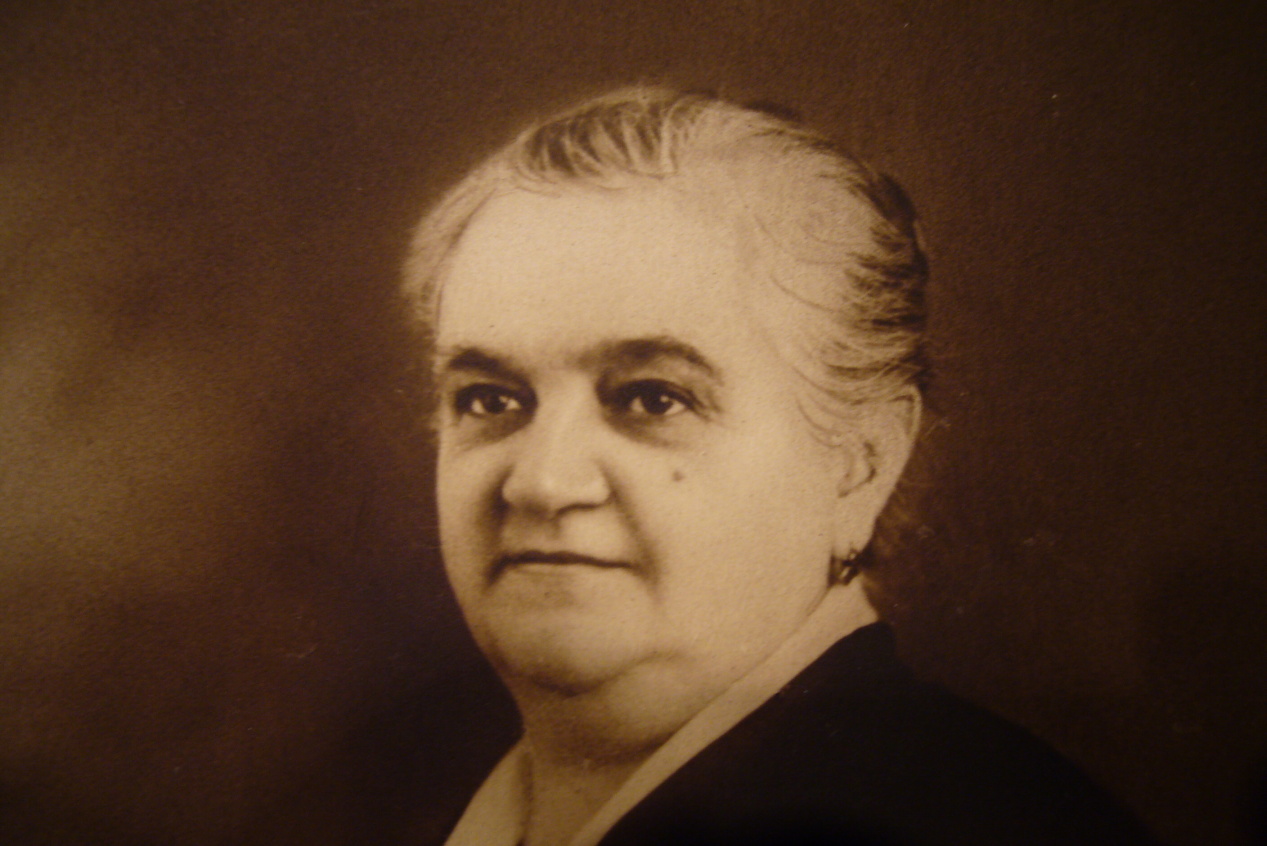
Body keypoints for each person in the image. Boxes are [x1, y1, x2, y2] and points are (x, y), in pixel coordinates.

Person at [401, 86, 1156, 846]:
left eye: (653, 398)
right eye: (489, 400)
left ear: (861, 462)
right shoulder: (399, 799)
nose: (542, 482)